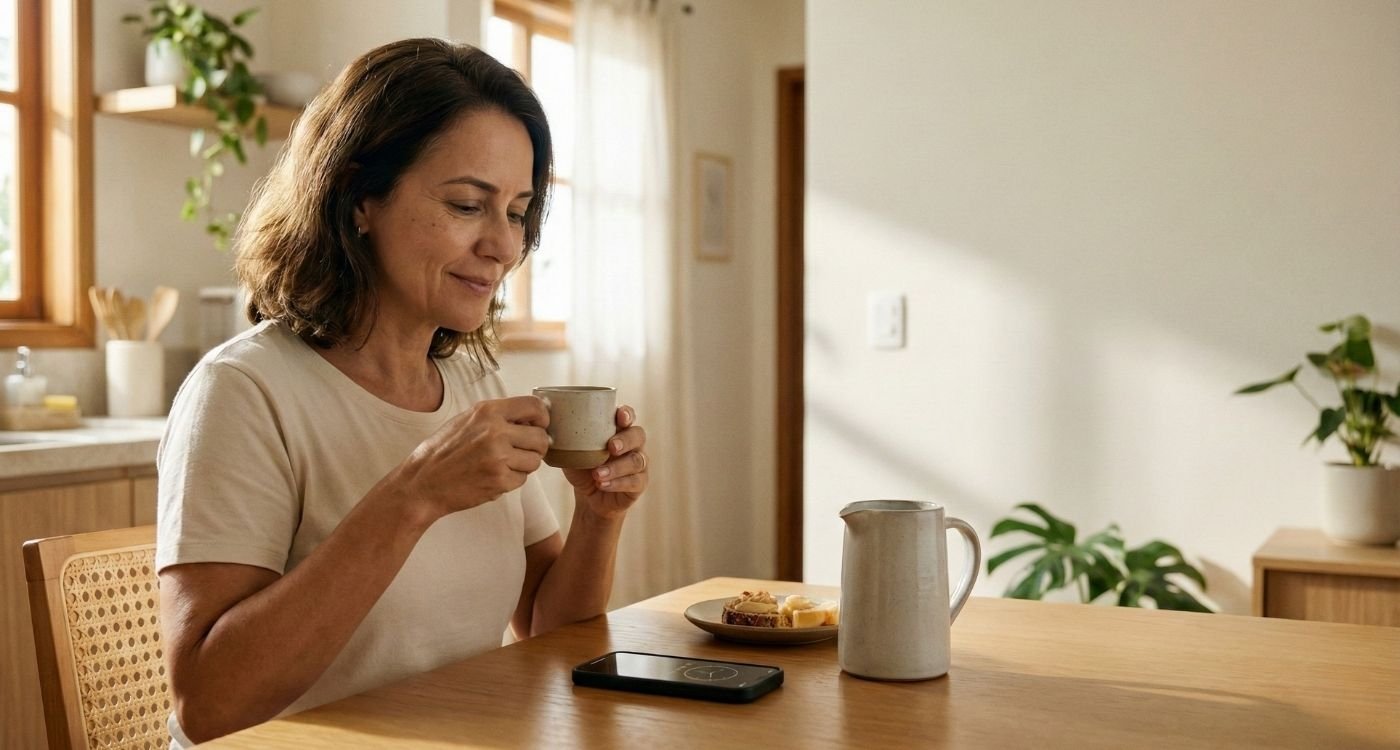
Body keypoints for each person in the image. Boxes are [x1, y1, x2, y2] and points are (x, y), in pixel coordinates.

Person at [155, 38, 649, 747]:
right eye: (467, 204)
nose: (504, 247)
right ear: (360, 197)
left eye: (516, 212)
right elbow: (210, 704)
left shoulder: (469, 381)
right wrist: (414, 494)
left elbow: (545, 628)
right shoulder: (243, 391)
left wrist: (599, 515)